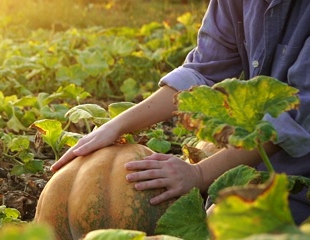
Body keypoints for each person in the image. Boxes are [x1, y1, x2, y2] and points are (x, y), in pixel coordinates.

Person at [51, 0, 310, 225]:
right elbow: (203, 71)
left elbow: (294, 116)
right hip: (257, 157)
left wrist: (199, 174)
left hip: (302, 173)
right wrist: (116, 126)